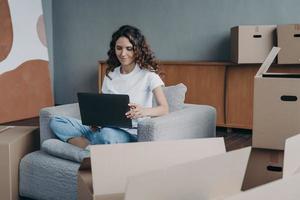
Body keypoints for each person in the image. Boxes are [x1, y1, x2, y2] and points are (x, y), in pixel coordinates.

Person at [49, 25, 169, 149]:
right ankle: (90, 147)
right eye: (119, 48)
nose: (123, 54)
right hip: (105, 128)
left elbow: (164, 108)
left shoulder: (148, 75)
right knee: (56, 121)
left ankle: (93, 146)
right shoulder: (110, 75)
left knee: (106, 136)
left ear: (137, 49)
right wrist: (97, 121)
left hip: (129, 132)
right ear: (114, 49)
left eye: (129, 48)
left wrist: (143, 111)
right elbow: (103, 107)